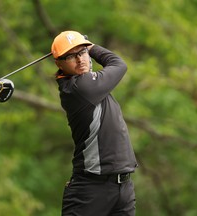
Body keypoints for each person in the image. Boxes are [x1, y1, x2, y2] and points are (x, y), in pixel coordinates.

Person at [51, 30, 138, 216]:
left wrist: (84, 48)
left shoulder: (91, 83)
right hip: (90, 190)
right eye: (71, 56)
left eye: (82, 52)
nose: (80, 59)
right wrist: (92, 47)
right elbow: (119, 64)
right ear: (59, 63)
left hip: (123, 187)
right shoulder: (79, 88)